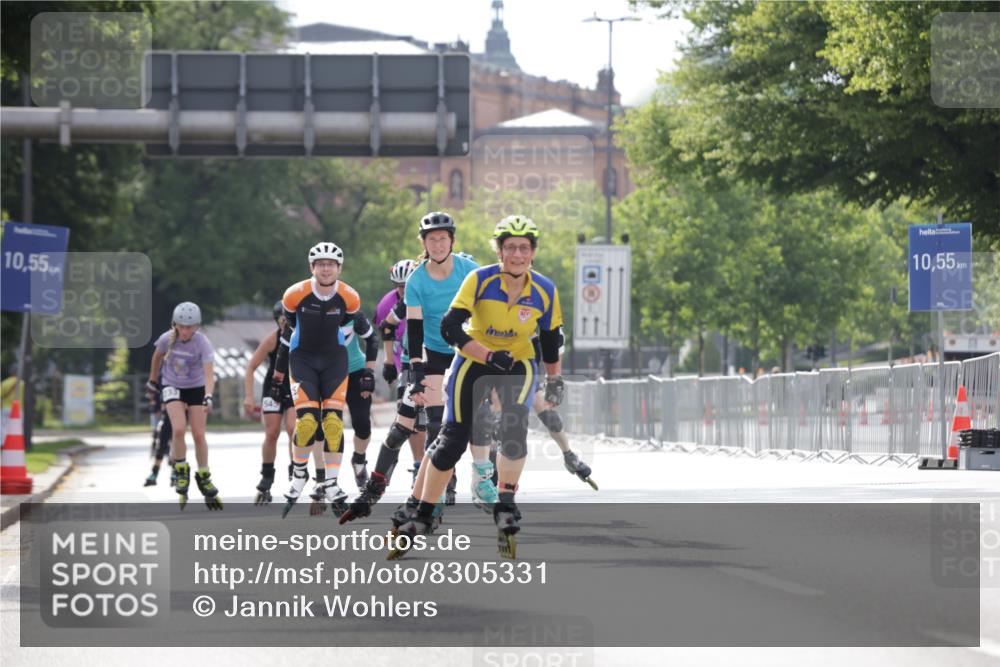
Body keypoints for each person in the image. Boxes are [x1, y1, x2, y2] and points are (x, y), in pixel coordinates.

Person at [389, 215, 564, 560]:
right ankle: (421, 516)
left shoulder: (544, 289)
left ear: (532, 252)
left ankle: (506, 506)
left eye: (524, 248)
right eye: (510, 247)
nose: (517, 254)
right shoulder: (479, 279)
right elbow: (452, 328)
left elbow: (549, 339)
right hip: (472, 360)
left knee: (514, 432)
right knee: (453, 438)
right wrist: (485, 355)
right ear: (499, 251)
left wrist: (555, 378)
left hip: (518, 363)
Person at [340, 212, 477, 523]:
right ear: (424, 243)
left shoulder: (470, 271)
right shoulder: (416, 280)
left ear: (452, 241)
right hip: (432, 353)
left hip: (465, 352)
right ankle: (373, 490)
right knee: (403, 423)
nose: (438, 244)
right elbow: (412, 327)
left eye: (443, 239)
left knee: (438, 428)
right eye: (432, 239)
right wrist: (413, 368)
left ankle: (430, 501)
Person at [273, 242, 361, 518]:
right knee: (308, 421)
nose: (326, 268)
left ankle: (332, 483)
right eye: (320, 264)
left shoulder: (350, 297)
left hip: (335, 359)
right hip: (303, 359)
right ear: (312, 268)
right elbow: (290, 323)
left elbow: (348, 325)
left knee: (333, 423)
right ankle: (299, 474)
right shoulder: (294, 294)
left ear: (339, 268)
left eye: (331, 264)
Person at [147, 302, 222, 510]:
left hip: (196, 387)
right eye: (182, 326)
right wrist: (153, 380)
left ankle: (204, 474)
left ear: (197, 326)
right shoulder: (166, 339)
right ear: (176, 325)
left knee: (199, 433)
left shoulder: (202, 343)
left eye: (190, 327)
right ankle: (181, 469)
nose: (186, 331)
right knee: (178, 428)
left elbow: (209, 374)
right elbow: (156, 357)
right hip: (172, 385)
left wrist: (208, 395)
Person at [243, 300, 316, 505]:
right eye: (281, 320)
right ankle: (267, 475)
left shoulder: (302, 338)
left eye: (288, 320)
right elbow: (250, 367)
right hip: (273, 388)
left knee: (293, 428)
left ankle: (295, 469)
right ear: (277, 321)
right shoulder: (272, 339)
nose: (285, 324)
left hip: (294, 387)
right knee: (271, 432)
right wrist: (249, 395)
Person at [308, 309, 379, 514]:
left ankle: (358, 458)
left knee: (362, 423)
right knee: (326, 427)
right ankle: (323, 480)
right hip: (328, 374)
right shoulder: (313, 314)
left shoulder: (353, 314)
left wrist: (369, 372)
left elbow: (372, 340)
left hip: (355, 369)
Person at [372, 259, 428, 488]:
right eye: (399, 286)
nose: (403, 290)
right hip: (404, 357)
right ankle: (410, 466)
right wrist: (388, 362)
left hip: (432, 357)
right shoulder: (389, 303)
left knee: (427, 421)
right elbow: (386, 329)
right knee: (407, 418)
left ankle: (425, 465)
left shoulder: (427, 293)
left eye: (407, 285)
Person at [142, 370, 173, 487]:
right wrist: (156, 408)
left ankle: (175, 472)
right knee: (161, 441)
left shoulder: (182, 378)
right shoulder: (161, 375)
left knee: (175, 442)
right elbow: (153, 394)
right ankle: (154, 474)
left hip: (175, 414)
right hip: (163, 412)